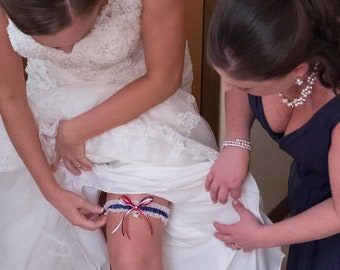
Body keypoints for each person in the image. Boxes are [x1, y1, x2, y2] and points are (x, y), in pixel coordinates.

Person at [0, 0, 284, 269]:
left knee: (133, 255)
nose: (68, 52)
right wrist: (51, 191)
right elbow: (11, 96)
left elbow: (163, 79)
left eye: (79, 34)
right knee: (47, 246)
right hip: (51, 114)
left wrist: (76, 131)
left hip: (140, 115)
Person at [206, 0, 340, 269]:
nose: (230, 87)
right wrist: (236, 141)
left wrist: (260, 237)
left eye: (246, 85)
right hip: (310, 190)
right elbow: (234, 75)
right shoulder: (262, 35)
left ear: (298, 71)